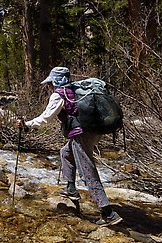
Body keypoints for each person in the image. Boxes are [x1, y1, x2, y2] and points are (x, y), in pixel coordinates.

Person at [16, 66, 123, 227]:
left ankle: (108, 213)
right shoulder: (74, 90)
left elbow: (46, 118)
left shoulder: (59, 94)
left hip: (82, 134)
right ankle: (71, 189)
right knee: (66, 152)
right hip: (92, 131)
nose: (49, 86)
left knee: (87, 170)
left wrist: (27, 125)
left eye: (50, 83)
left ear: (56, 81)